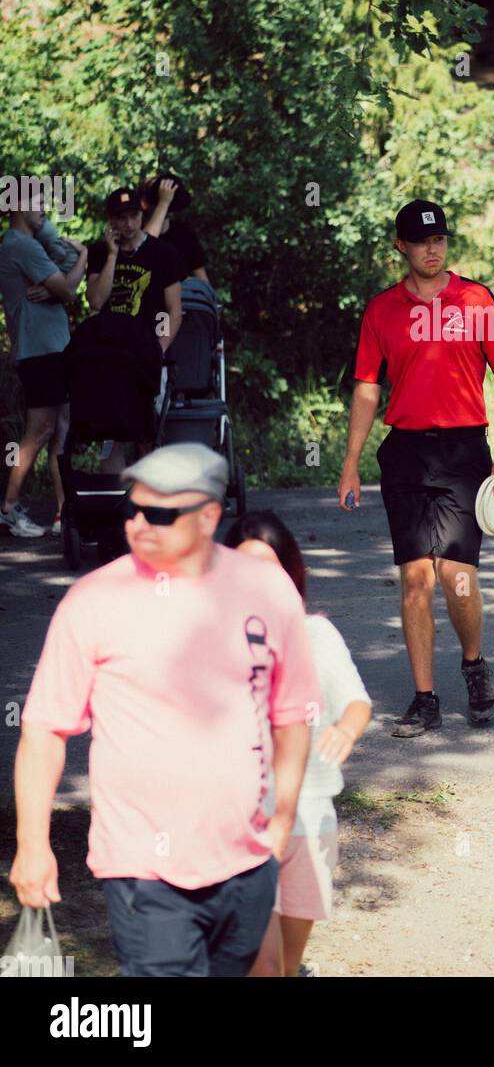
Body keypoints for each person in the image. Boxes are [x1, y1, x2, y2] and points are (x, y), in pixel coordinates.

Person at [10, 443, 321, 977]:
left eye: (159, 514)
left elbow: (292, 716)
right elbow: (43, 729)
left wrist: (282, 820)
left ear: (208, 517)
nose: (137, 524)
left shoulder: (267, 589)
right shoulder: (93, 601)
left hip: (246, 863)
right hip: (143, 870)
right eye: (131, 509)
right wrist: (32, 844)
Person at [338, 198, 494, 739]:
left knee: (457, 577)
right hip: (406, 452)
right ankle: (424, 699)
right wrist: (350, 462)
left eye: (439, 238)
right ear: (402, 247)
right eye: (420, 241)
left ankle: (473, 666)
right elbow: (368, 388)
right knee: (415, 579)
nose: (432, 248)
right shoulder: (380, 311)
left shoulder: (479, 299)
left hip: (465, 450)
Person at [225, 511, 372, 978]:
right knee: (261, 965)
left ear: (291, 575)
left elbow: (356, 701)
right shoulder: (213, 642)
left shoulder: (317, 635)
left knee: (286, 965)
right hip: (241, 823)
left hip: (309, 819)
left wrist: (346, 729)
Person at [0, 195, 87, 538]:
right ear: (18, 206)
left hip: (54, 348)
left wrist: (56, 288)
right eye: (37, 204)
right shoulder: (20, 245)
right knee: (41, 430)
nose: (44, 211)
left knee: (61, 429)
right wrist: (85, 257)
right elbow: (69, 289)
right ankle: (8, 507)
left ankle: (64, 513)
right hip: (39, 351)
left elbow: (61, 285)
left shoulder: (31, 241)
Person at [86, 187, 184, 463]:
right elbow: (95, 301)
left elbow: (174, 310)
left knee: (147, 430)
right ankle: (116, 501)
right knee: (111, 432)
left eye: (133, 216)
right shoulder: (99, 252)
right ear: (111, 222)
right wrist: (112, 257)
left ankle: (152, 497)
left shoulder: (163, 254)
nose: (128, 224)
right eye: (121, 218)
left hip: (148, 354)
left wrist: (159, 349)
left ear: (142, 214)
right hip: (109, 356)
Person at [140, 173, 210, 283]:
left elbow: (201, 276)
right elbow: (143, 247)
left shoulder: (184, 234)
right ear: (143, 202)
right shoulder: (135, 232)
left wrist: (209, 298)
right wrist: (163, 203)